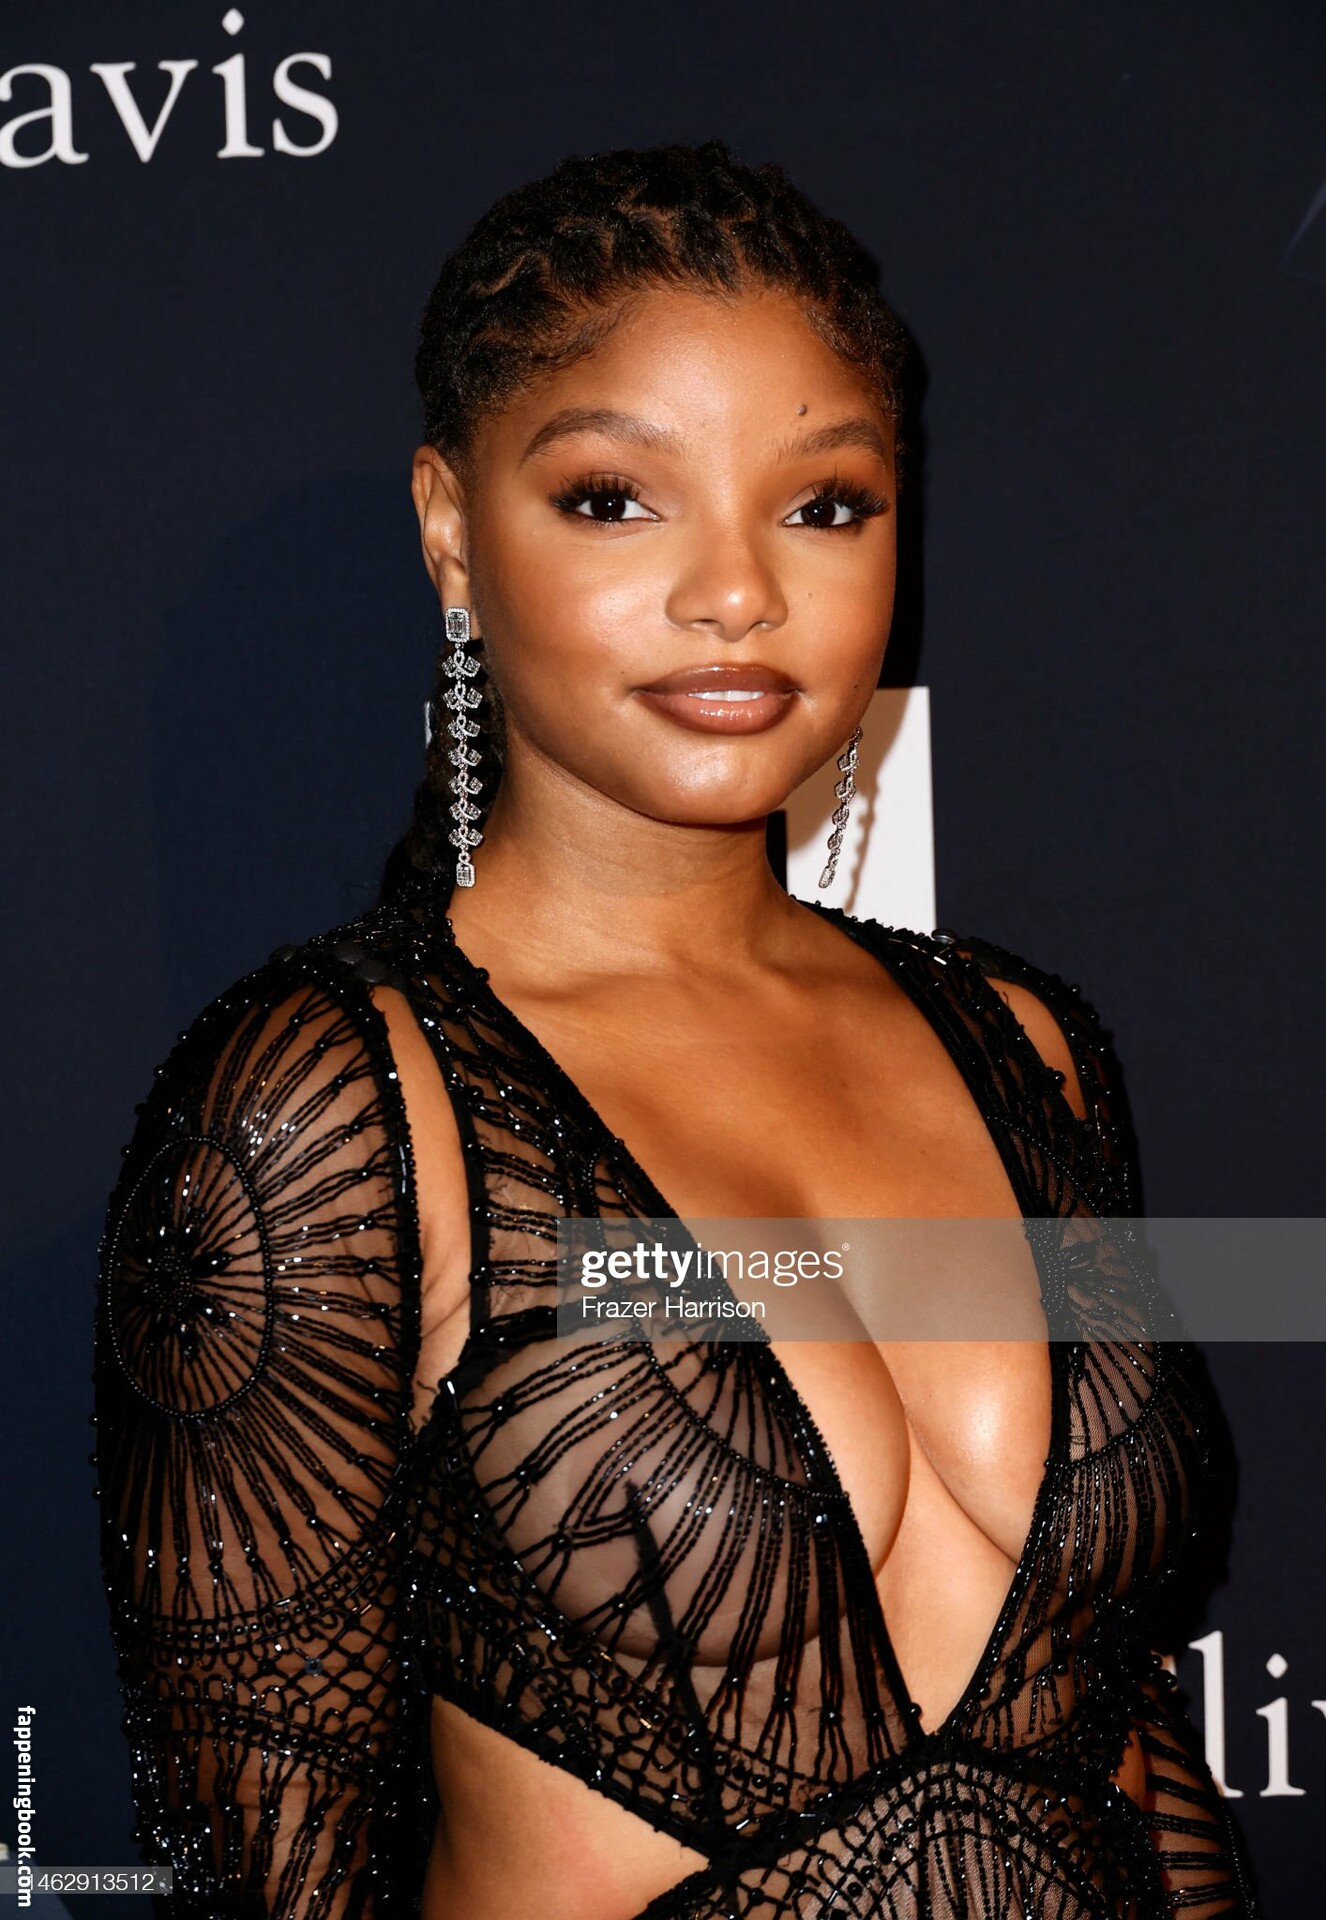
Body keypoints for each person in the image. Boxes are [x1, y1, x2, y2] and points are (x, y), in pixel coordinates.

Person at [93, 142, 1260, 1919]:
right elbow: (268, 1862)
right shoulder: (341, 1099)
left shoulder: (1024, 1042)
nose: (737, 591)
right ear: (448, 528)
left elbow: (1126, 1735)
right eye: (613, 499)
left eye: (824, 505)